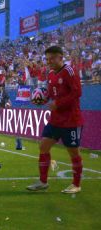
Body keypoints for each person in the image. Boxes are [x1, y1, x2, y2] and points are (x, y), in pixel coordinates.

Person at [27, 46, 84, 194]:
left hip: (71, 120)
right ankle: (43, 182)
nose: (49, 61)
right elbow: (51, 94)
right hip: (55, 120)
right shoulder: (51, 74)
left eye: (52, 58)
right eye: (47, 59)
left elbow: (77, 92)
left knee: (73, 153)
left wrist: (58, 103)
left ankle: (76, 184)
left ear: (61, 57)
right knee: (43, 146)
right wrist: (42, 99)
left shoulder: (69, 71)